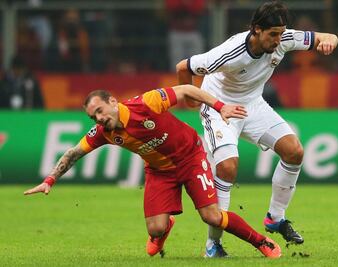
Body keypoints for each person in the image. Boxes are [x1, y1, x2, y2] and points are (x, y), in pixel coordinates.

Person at [23, 85, 282, 258]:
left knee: (212, 217)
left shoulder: (146, 103)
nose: (98, 119)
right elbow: (72, 153)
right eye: (93, 117)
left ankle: (261, 242)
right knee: (155, 231)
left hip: (191, 157)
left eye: (99, 111)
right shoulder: (105, 132)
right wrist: (50, 180)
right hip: (159, 172)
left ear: (113, 101)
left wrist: (219, 106)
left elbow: (187, 89)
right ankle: (164, 226)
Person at [176, 0, 338, 257]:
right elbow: (184, 67)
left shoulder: (284, 38)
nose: (278, 40)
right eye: (272, 34)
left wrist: (329, 40)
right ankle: (213, 244)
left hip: (252, 105)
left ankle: (275, 218)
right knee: (227, 167)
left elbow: (326, 36)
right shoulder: (230, 52)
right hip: (220, 109)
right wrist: (191, 100)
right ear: (256, 30)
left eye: (280, 33)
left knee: (294, 151)